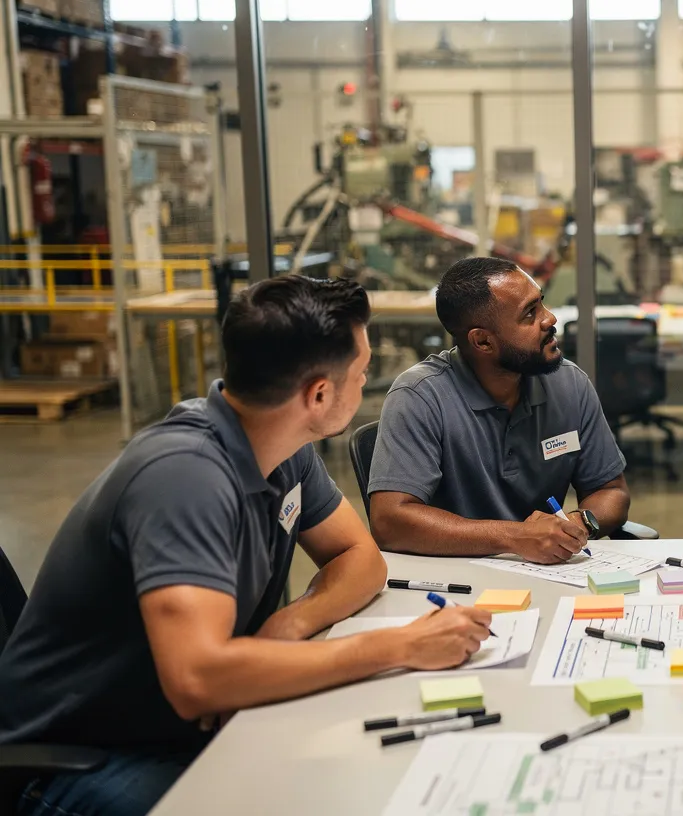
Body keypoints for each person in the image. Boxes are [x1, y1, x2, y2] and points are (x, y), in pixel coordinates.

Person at [0, 276, 494, 816]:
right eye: (362, 372)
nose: (366, 381)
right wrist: (400, 646)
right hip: (79, 760)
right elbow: (198, 679)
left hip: (184, 725)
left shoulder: (281, 446)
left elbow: (360, 559)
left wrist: (292, 622)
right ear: (320, 395)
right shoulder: (183, 477)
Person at [367, 257, 630, 563]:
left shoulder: (568, 384)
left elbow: (612, 491)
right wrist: (515, 537)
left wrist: (579, 522)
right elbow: (389, 522)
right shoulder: (420, 397)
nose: (550, 319)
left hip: (548, 571)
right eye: (530, 314)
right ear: (483, 341)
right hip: (455, 579)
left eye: (541, 304)